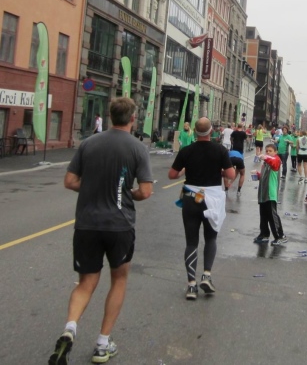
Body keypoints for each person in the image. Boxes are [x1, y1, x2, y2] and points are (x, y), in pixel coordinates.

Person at [49, 97, 153, 365]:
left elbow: (70, 181)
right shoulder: (138, 148)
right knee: (119, 279)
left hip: (87, 224)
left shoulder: (89, 143)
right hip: (119, 225)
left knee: (85, 283)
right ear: (133, 119)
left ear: (109, 116)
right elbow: (145, 191)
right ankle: (102, 344)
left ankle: (70, 329)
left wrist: (91, 187)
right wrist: (125, 192)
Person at [168, 118, 234, 299]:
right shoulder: (220, 150)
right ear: (211, 131)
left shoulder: (186, 151)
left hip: (191, 199)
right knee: (211, 238)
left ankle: (191, 285)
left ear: (195, 132)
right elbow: (230, 174)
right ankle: (206, 275)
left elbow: (172, 175)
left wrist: (185, 169)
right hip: (212, 200)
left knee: (191, 242)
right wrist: (220, 170)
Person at [254, 144, 288, 246]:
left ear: (275, 152)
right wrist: (258, 175)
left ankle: (280, 236)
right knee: (263, 216)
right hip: (263, 194)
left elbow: (274, 163)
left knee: (272, 216)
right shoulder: (265, 163)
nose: (268, 153)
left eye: (270, 151)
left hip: (270, 194)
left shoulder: (276, 160)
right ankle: (264, 234)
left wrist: (265, 157)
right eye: (267, 151)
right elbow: (264, 176)